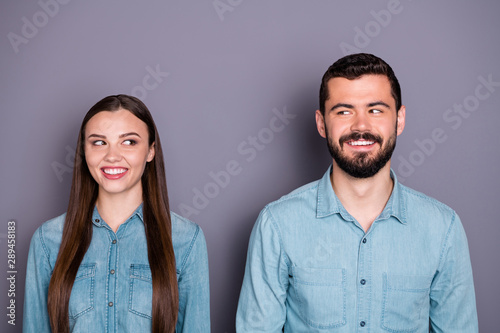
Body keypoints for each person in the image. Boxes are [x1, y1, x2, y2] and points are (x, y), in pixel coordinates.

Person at [236, 53, 478, 332]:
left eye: (375, 110)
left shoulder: (443, 229)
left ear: (399, 120)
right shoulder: (277, 225)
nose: (361, 126)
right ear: (321, 123)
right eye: (344, 111)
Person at [23, 95, 210, 332]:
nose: (112, 156)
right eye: (99, 142)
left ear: (151, 151)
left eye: (129, 142)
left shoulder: (186, 240)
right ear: (84, 151)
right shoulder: (47, 240)